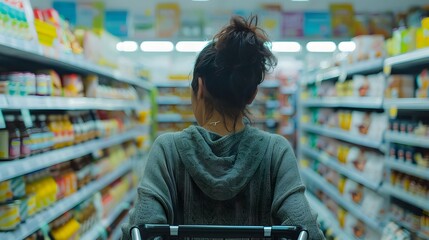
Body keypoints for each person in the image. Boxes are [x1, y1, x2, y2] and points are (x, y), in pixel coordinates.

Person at [122, 15, 325, 240]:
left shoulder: (168, 151)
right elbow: (308, 231)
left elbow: (139, 230)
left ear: (199, 86)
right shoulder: (275, 152)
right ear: (252, 94)